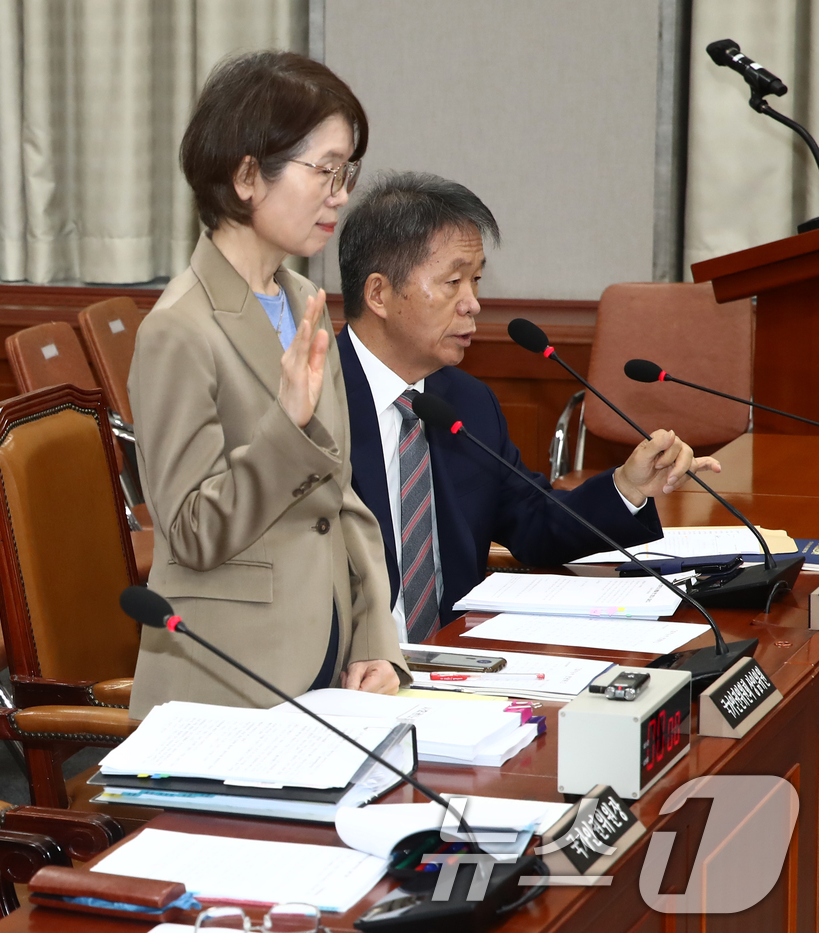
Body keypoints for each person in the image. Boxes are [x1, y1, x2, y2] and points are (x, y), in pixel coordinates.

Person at [127, 51, 407, 718]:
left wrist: (375, 637)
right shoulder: (179, 329)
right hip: (228, 683)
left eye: (348, 173)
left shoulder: (303, 297)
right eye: (325, 170)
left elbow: (342, 498)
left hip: (327, 664)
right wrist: (286, 428)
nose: (340, 193)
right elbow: (192, 530)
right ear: (249, 175)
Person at [335, 172, 721, 641]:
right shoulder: (311, 405)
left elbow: (534, 526)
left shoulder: (467, 403)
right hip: (343, 676)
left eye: (474, 281)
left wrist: (627, 487)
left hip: (460, 663)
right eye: (453, 281)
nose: (473, 304)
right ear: (378, 294)